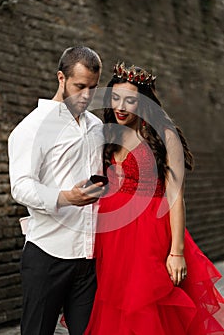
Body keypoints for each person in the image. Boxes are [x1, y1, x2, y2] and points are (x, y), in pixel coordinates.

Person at [83, 62, 224, 334]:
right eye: (115, 98)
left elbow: (175, 196)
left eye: (130, 100)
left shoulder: (164, 136)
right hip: (111, 237)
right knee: (116, 305)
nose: (121, 107)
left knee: (147, 304)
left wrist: (177, 251)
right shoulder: (109, 134)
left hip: (149, 234)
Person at [8, 46, 106, 335]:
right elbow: (21, 186)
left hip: (89, 258)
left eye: (93, 87)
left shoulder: (97, 127)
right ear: (61, 78)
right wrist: (66, 198)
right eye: (79, 86)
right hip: (47, 253)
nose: (87, 95)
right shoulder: (31, 128)